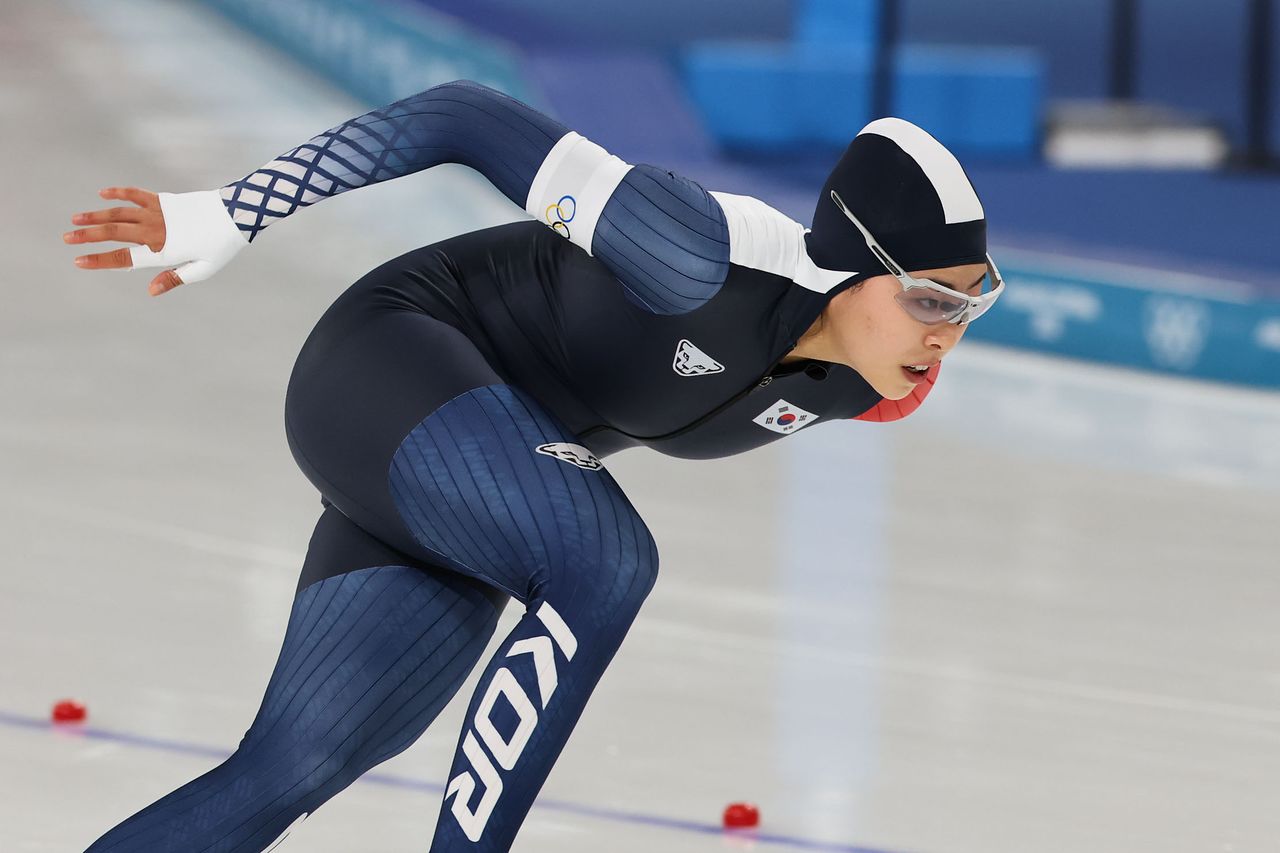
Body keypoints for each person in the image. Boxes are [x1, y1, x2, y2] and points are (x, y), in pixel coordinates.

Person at [63, 79, 1003, 852]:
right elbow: (462, 117)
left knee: (296, 763)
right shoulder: (693, 252)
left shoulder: (878, 384)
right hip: (388, 362)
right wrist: (236, 209)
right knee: (607, 559)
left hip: (475, 470)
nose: (946, 336)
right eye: (928, 299)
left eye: (970, 305)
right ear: (850, 264)